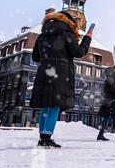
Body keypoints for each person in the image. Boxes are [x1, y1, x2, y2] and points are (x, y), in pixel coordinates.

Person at [30, 11, 92, 148]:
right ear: (68, 21)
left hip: (44, 72)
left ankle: (42, 138)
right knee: (54, 106)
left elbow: (35, 57)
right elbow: (79, 52)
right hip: (60, 73)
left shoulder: (42, 35)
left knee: (46, 106)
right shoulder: (66, 33)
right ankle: (46, 138)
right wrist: (87, 38)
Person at [97, 65, 115, 141]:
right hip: (111, 101)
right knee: (108, 118)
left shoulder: (109, 78)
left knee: (113, 118)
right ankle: (101, 135)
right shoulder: (111, 79)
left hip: (110, 101)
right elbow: (113, 90)